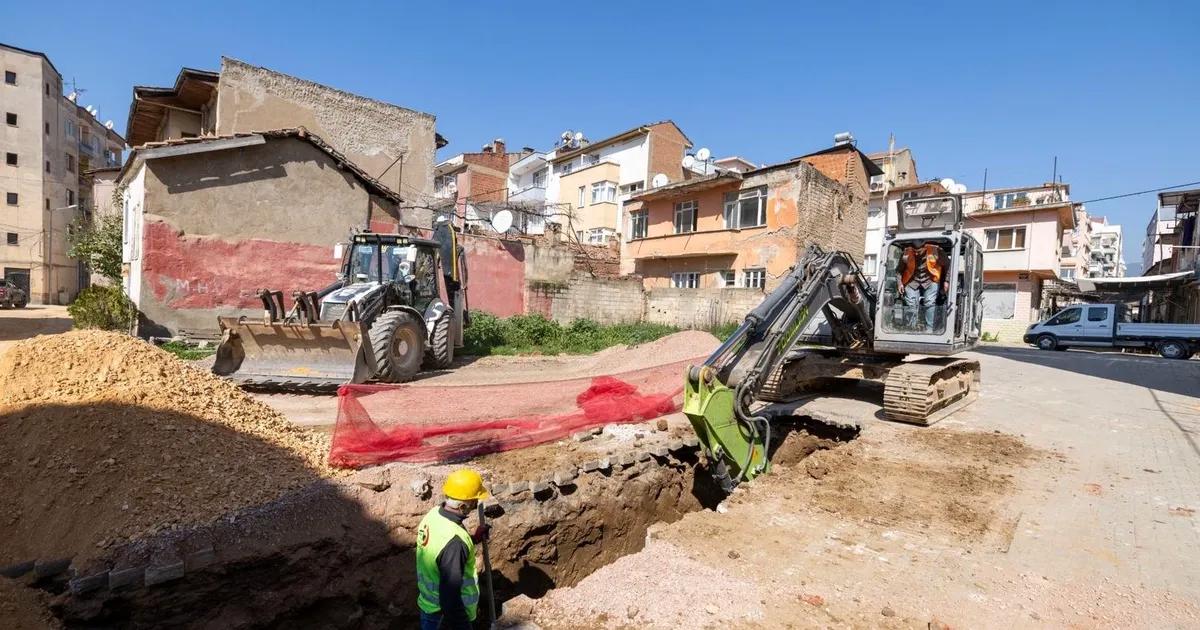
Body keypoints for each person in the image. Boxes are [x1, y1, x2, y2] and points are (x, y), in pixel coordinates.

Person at [416, 468, 491, 630]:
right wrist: (464, 626)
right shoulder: (455, 543)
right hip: (445, 618)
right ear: (463, 506)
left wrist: (473, 539)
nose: (476, 505)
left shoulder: (434, 515)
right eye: (473, 502)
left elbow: (442, 551)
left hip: (429, 608)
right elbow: (450, 597)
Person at [898, 241, 949, 331]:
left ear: (925, 247)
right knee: (911, 304)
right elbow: (899, 270)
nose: (917, 253)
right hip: (912, 280)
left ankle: (929, 329)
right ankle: (912, 328)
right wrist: (900, 283)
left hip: (931, 279)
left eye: (919, 251)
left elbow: (948, 265)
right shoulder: (906, 253)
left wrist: (946, 281)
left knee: (929, 302)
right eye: (915, 251)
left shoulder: (936, 251)